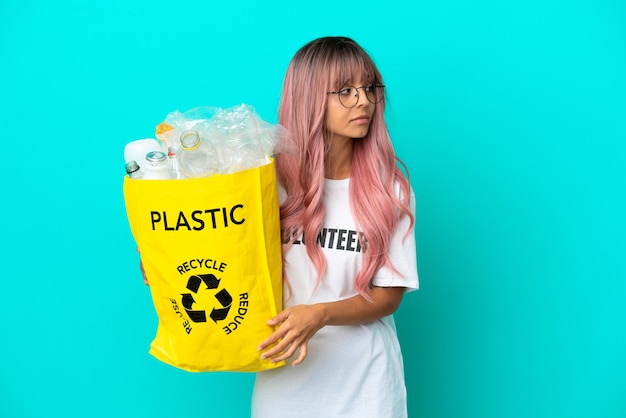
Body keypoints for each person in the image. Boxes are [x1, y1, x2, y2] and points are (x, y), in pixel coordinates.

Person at [252, 36, 419, 418]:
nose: (363, 101)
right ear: (310, 98)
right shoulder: (267, 184)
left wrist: (319, 314)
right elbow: (233, 259)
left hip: (367, 387)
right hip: (284, 384)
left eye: (368, 88)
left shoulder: (390, 189)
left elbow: (388, 297)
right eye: (345, 91)